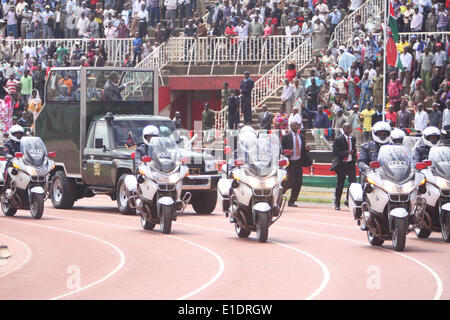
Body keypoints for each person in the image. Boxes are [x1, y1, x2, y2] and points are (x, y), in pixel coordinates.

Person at [357, 121, 391, 229]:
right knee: (367, 188)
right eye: (380, 133)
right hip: (373, 176)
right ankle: (365, 215)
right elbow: (361, 161)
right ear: (375, 134)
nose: (382, 136)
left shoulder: (393, 147)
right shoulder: (366, 147)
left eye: (384, 133)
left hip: (389, 176)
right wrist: (366, 168)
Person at [281, 120, 311, 207]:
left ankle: (292, 201)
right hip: (290, 163)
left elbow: (302, 149)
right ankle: (280, 192)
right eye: (294, 125)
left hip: (298, 162)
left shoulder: (302, 137)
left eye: (297, 125)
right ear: (290, 127)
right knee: (290, 181)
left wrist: (306, 149)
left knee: (298, 182)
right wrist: (287, 152)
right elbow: (281, 150)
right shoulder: (286, 137)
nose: (296, 127)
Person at [331, 123, 357, 210]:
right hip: (341, 164)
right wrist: (346, 153)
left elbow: (354, 150)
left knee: (353, 183)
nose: (349, 130)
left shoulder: (353, 139)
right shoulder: (338, 139)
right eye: (347, 128)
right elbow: (335, 153)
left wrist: (354, 155)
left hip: (350, 164)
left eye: (350, 128)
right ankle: (337, 203)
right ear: (343, 129)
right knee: (340, 184)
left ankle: (348, 200)